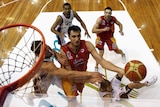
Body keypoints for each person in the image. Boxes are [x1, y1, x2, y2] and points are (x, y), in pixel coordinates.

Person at [27, 40, 104, 105]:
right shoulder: (44, 65)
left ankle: (73, 103)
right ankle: (30, 97)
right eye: (44, 50)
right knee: (40, 95)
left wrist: (58, 56)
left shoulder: (47, 49)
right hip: (43, 79)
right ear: (38, 54)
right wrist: (90, 75)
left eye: (46, 46)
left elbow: (53, 52)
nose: (47, 49)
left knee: (71, 90)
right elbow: (67, 73)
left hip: (54, 73)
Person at [60, 25, 125, 99]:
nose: (77, 39)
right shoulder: (64, 51)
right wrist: (89, 77)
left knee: (106, 85)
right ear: (69, 37)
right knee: (72, 100)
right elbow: (71, 74)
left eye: (79, 36)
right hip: (69, 78)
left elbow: (102, 61)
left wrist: (120, 70)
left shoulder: (87, 45)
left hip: (82, 73)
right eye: (74, 36)